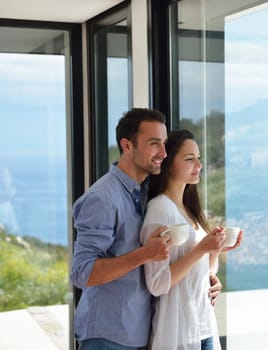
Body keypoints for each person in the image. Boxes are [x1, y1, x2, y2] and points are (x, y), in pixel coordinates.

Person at [70, 108, 174, 350]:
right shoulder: (102, 198)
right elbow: (82, 273)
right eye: (154, 143)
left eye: (165, 144)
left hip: (136, 333)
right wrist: (146, 253)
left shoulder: (146, 191)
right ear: (127, 146)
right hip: (106, 337)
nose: (163, 153)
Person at [140, 129, 242, 350]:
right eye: (189, 159)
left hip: (203, 326)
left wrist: (215, 250)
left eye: (199, 158)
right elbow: (157, 284)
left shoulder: (189, 209)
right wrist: (201, 249)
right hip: (179, 334)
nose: (199, 165)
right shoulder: (160, 210)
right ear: (169, 164)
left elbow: (200, 272)